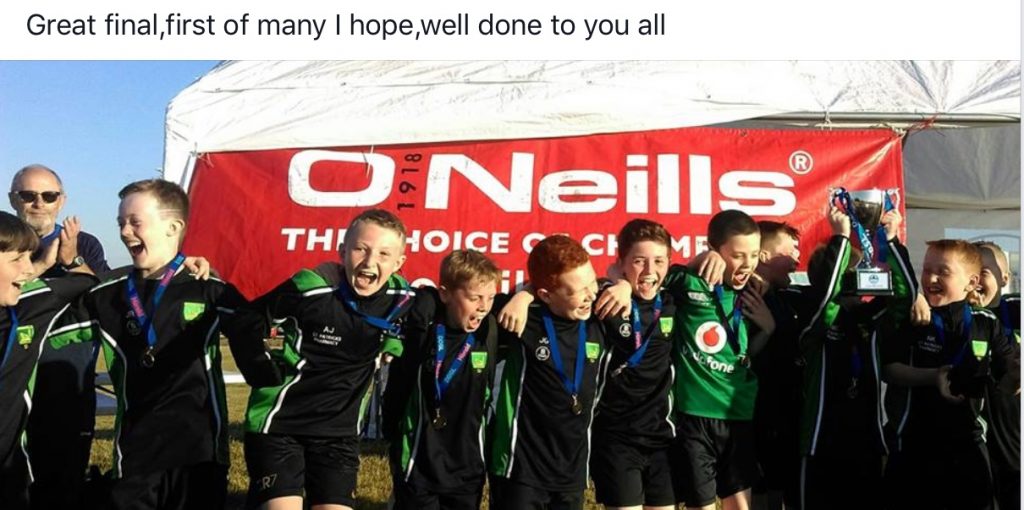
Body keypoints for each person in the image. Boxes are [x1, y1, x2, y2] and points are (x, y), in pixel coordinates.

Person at [46, 179, 276, 510]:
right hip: (134, 454)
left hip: (200, 454)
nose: (125, 232)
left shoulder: (210, 288)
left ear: (173, 227)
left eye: (135, 222)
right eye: (120, 223)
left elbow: (257, 334)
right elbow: (47, 333)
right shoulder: (106, 294)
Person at [241, 208, 415, 510]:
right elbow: (251, 319)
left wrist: (393, 343)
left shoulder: (402, 297)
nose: (370, 262)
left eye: (384, 254)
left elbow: (429, 312)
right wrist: (268, 359)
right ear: (342, 251)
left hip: (339, 434)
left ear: (399, 263)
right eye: (361, 249)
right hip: (279, 425)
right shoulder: (310, 287)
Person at [793, 207, 915, 509]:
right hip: (822, 445)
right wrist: (841, 238)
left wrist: (891, 241)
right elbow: (827, 301)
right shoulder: (814, 322)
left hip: (866, 445)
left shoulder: (870, 321)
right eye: (857, 273)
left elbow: (906, 297)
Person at [882, 239, 1017, 510]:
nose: (931, 278)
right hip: (914, 446)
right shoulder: (914, 316)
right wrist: (933, 376)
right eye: (926, 270)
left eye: (943, 272)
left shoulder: (985, 322)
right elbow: (888, 369)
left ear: (971, 282)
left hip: (969, 446)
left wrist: (1016, 375)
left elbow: (1008, 378)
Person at [9, 164, 112, 510]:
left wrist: (73, 260)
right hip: (11, 385)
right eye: (28, 195)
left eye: (49, 195)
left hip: (65, 383)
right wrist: (37, 267)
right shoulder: (4, 242)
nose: (39, 203)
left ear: (61, 201)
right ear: (13, 199)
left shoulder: (85, 243)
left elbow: (104, 299)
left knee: (62, 486)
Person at [488, 235, 605, 510]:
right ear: (546, 295)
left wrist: (620, 285)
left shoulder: (599, 316)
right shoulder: (524, 318)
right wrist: (522, 296)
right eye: (578, 291)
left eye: (592, 283)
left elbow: (626, 283)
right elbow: (468, 297)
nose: (591, 295)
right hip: (521, 467)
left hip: (571, 470)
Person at [382, 249, 501, 510]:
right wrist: (390, 429)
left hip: (467, 465)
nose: (483, 306)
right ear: (445, 294)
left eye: (490, 297)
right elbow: (404, 297)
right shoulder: (423, 327)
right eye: (474, 298)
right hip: (419, 460)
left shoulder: (490, 329)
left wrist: (524, 297)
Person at [0, 211, 98, 510]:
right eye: (17, 259)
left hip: (8, 478)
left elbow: (90, 284)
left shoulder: (29, 306)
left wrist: (66, 261)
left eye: (29, 258)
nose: (28, 269)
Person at [588, 219, 678, 510]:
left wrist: (623, 280)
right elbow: (561, 288)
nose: (650, 271)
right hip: (617, 438)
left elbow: (702, 269)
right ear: (622, 262)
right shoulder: (607, 300)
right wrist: (619, 283)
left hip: (662, 437)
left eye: (659, 261)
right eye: (639, 261)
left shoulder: (672, 300)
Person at [748, 220, 803, 510]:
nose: (797, 259)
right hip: (756, 410)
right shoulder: (744, 295)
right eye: (790, 250)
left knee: (781, 481)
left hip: (786, 411)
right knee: (759, 484)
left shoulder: (786, 297)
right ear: (764, 255)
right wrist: (766, 330)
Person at [973, 241, 1020, 510]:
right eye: (970, 272)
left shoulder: (1017, 310)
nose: (976, 280)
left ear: (1005, 278)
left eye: (984, 272)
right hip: (974, 450)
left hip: (1015, 449)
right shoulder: (954, 318)